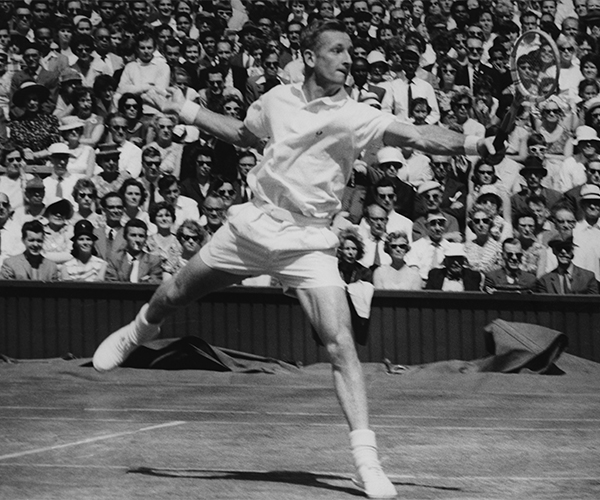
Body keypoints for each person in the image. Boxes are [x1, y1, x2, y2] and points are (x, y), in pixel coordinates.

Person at [92, 19, 493, 499]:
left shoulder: (356, 114)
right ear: (309, 57)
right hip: (253, 225)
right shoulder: (277, 99)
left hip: (309, 241)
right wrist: (189, 111)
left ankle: (366, 462)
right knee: (174, 293)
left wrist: (477, 144)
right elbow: (244, 134)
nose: (347, 59)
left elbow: (420, 137)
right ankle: (138, 331)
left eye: (350, 51)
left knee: (341, 345)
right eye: (337, 50)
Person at [105, 218, 162, 283]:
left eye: (141, 236)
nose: (137, 240)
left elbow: (155, 283)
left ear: (146, 238)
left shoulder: (154, 261)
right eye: (133, 235)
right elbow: (111, 284)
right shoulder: (114, 260)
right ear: (125, 237)